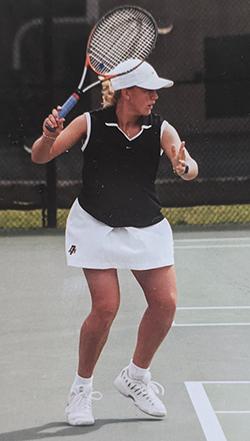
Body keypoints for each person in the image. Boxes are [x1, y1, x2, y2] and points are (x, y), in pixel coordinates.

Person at [31, 59, 198, 426]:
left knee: (166, 304)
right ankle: (81, 389)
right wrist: (47, 135)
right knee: (106, 306)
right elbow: (41, 156)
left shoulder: (161, 128)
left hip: (144, 225)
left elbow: (187, 164)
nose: (155, 96)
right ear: (126, 93)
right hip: (95, 224)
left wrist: (184, 167)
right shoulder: (89, 122)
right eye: (148, 89)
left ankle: (135, 377)